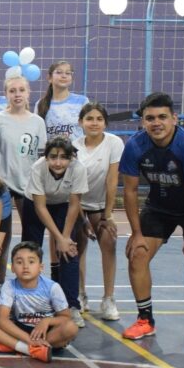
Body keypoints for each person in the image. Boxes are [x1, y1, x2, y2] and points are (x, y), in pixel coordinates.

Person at [119, 92, 184, 349]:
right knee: (137, 254)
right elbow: (130, 191)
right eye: (150, 118)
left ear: (175, 118)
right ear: (143, 122)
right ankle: (145, 319)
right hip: (159, 205)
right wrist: (136, 234)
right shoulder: (135, 145)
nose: (156, 123)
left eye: (162, 117)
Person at [22, 136, 88, 326]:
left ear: (71, 158)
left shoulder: (78, 169)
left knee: (69, 251)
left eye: (63, 157)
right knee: (30, 250)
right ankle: (29, 300)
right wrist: (58, 237)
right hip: (35, 205)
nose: (58, 162)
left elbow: (74, 205)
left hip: (62, 204)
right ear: (46, 157)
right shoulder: (38, 168)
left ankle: (71, 305)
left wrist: (65, 237)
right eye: (53, 157)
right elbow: (40, 207)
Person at [0, 241, 78, 363]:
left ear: (41, 267)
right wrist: (28, 339)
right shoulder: (9, 286)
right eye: (19, 262)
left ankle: (14, 345)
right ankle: (30, 349)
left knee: (71, 328)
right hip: (19, 330)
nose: (25, 266)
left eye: (31, 262)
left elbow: (66, 317)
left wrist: (47, 321)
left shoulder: (52, 287)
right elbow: (2, 320)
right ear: (13, 268)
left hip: (45, 332)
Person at [73, 102, 124, 321]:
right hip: (78, 204)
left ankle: (108, 298)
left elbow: (112, 180)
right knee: (78, 248)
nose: (94, 123)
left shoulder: (114, 143)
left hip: (102, 205)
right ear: (80, 122)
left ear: (105, 123)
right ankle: (80, 295)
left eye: (99, 119)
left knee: (109, 244)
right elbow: (73, 185)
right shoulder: (73, 146)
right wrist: (81, 218)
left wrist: (108, 215)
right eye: (89, 119)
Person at [0, 75, 46, 242]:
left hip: (28, 184)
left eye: (21, 90)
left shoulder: (38, 122)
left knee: (32, 234)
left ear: (28, 92)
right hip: (3, 183)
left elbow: (42, 158)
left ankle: (30, 260)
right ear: (6, 94)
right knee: (0, 238)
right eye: (12, 91)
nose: (17, 94)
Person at [36, 60, 88, 141]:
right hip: (51, 149)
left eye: (68, 73)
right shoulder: (40, 103)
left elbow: (89, 131)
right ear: (49, 78)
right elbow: (37, 134)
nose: (64, 76)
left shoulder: (82, 101)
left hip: (77, 149)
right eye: (59, 72)